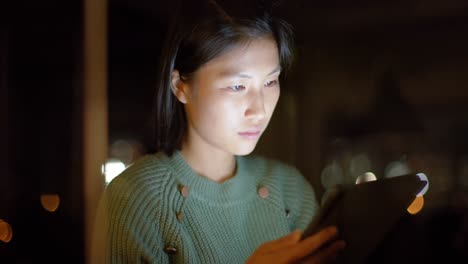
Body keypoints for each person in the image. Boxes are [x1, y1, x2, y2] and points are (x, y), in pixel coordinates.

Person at [91, 0, 346, 263]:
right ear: (181, 86)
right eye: (237, 86)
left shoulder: (289, 191)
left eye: (270, 81)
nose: (258, 110)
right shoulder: (137, 197)